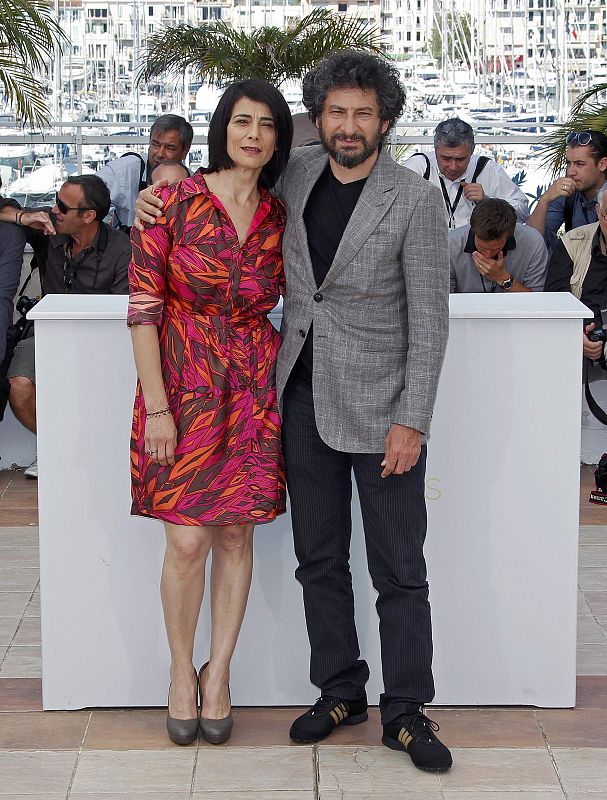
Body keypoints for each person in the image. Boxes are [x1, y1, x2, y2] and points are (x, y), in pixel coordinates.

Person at [134, 52, 452, 773]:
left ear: (385, 121)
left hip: (383, 413)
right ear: (318, 120)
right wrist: (159, 184)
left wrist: (413, 419)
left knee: (399, 569)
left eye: (363, 113)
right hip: (295, 401)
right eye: (336, 112)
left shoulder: (413, 198)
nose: (349, 125)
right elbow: (222, 182)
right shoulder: (297, 173)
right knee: (319, 561)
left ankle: (406, 711)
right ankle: (340, 691)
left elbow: (431, 323)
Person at [128, 79, 293, 747]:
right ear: (223, 128)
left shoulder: (281, 215)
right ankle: (179, 672)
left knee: (233, 537)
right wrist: (157, 409)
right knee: (187, 541)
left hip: (252, 391)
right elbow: (144, 309)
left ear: (279, 140)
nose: (254, 134)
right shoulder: (170, 202)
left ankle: (218, 674)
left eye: (267, 125)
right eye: (243, 121)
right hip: (180, 388)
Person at [0, 175, 130, 478]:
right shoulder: (48, 228)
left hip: (102, 339)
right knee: (18, 384)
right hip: (47, 334)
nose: (55, 210)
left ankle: (89, 451)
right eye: (55, 202)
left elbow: (123, 312)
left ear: (88, 216)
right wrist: (23, 217)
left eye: (63, 206)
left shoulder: (121, 249)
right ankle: (57, 447)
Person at [404, 117, 529, 229]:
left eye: (460, 159)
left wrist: (488, 202)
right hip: (428, 243)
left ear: (472, 152)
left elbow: (522, 213)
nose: (453, 167)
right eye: (446, 158)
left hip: (474, 245)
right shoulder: (419, 166)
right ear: (435, 150)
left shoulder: (487, 168)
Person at [98, 114, 193, 231]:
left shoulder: (193, 184)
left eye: (170, 148)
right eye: (155, 145)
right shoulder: (124, 170)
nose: (160, 154)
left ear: (185, 151)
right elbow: (87, 193)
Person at [527, 129, 607, 253]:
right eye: (568, 163)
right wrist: (545, 199)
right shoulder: (566, 193)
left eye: (579, 164)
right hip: (576, 262)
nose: (571, 172)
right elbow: (532, 242)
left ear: (602, 164)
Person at [450, 198, 548, 293]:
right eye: (482, 248)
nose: (488, 255)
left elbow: (536, 300)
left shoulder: (532, 243)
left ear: (509, 236)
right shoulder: (450, 245)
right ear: (473, 231)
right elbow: (443, 299)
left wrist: (501, 277)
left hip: (516, 305)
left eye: (496, 249)